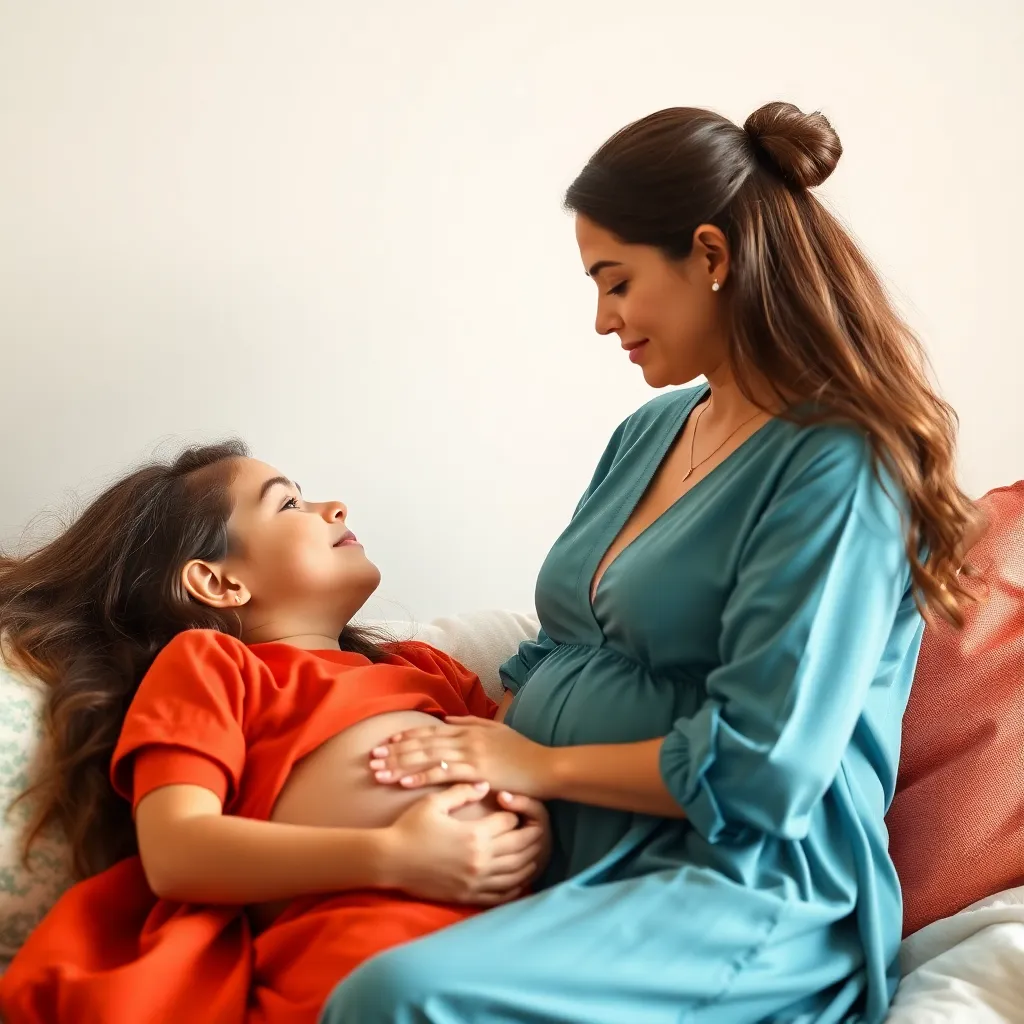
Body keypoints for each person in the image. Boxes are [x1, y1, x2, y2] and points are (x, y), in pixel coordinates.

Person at [320, 102, 976, 1023]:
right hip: (565, 849)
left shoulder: (841, 464)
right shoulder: (651, 431)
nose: (602, 320)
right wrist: (472, 768)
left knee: (397, 998)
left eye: (616, 281)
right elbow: (556, 647)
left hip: (740, 886)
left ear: (710, 256)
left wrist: (536, 766)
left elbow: (766, 770)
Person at [0, 441, 549, 1023]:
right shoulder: (213, 665)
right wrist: (393, 854)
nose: (335, 507)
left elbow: (524, 752)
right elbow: (176, 852)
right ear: (217, 582)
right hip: (364, 954)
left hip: (528, 938)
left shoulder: (426, 667)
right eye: (288, 504)